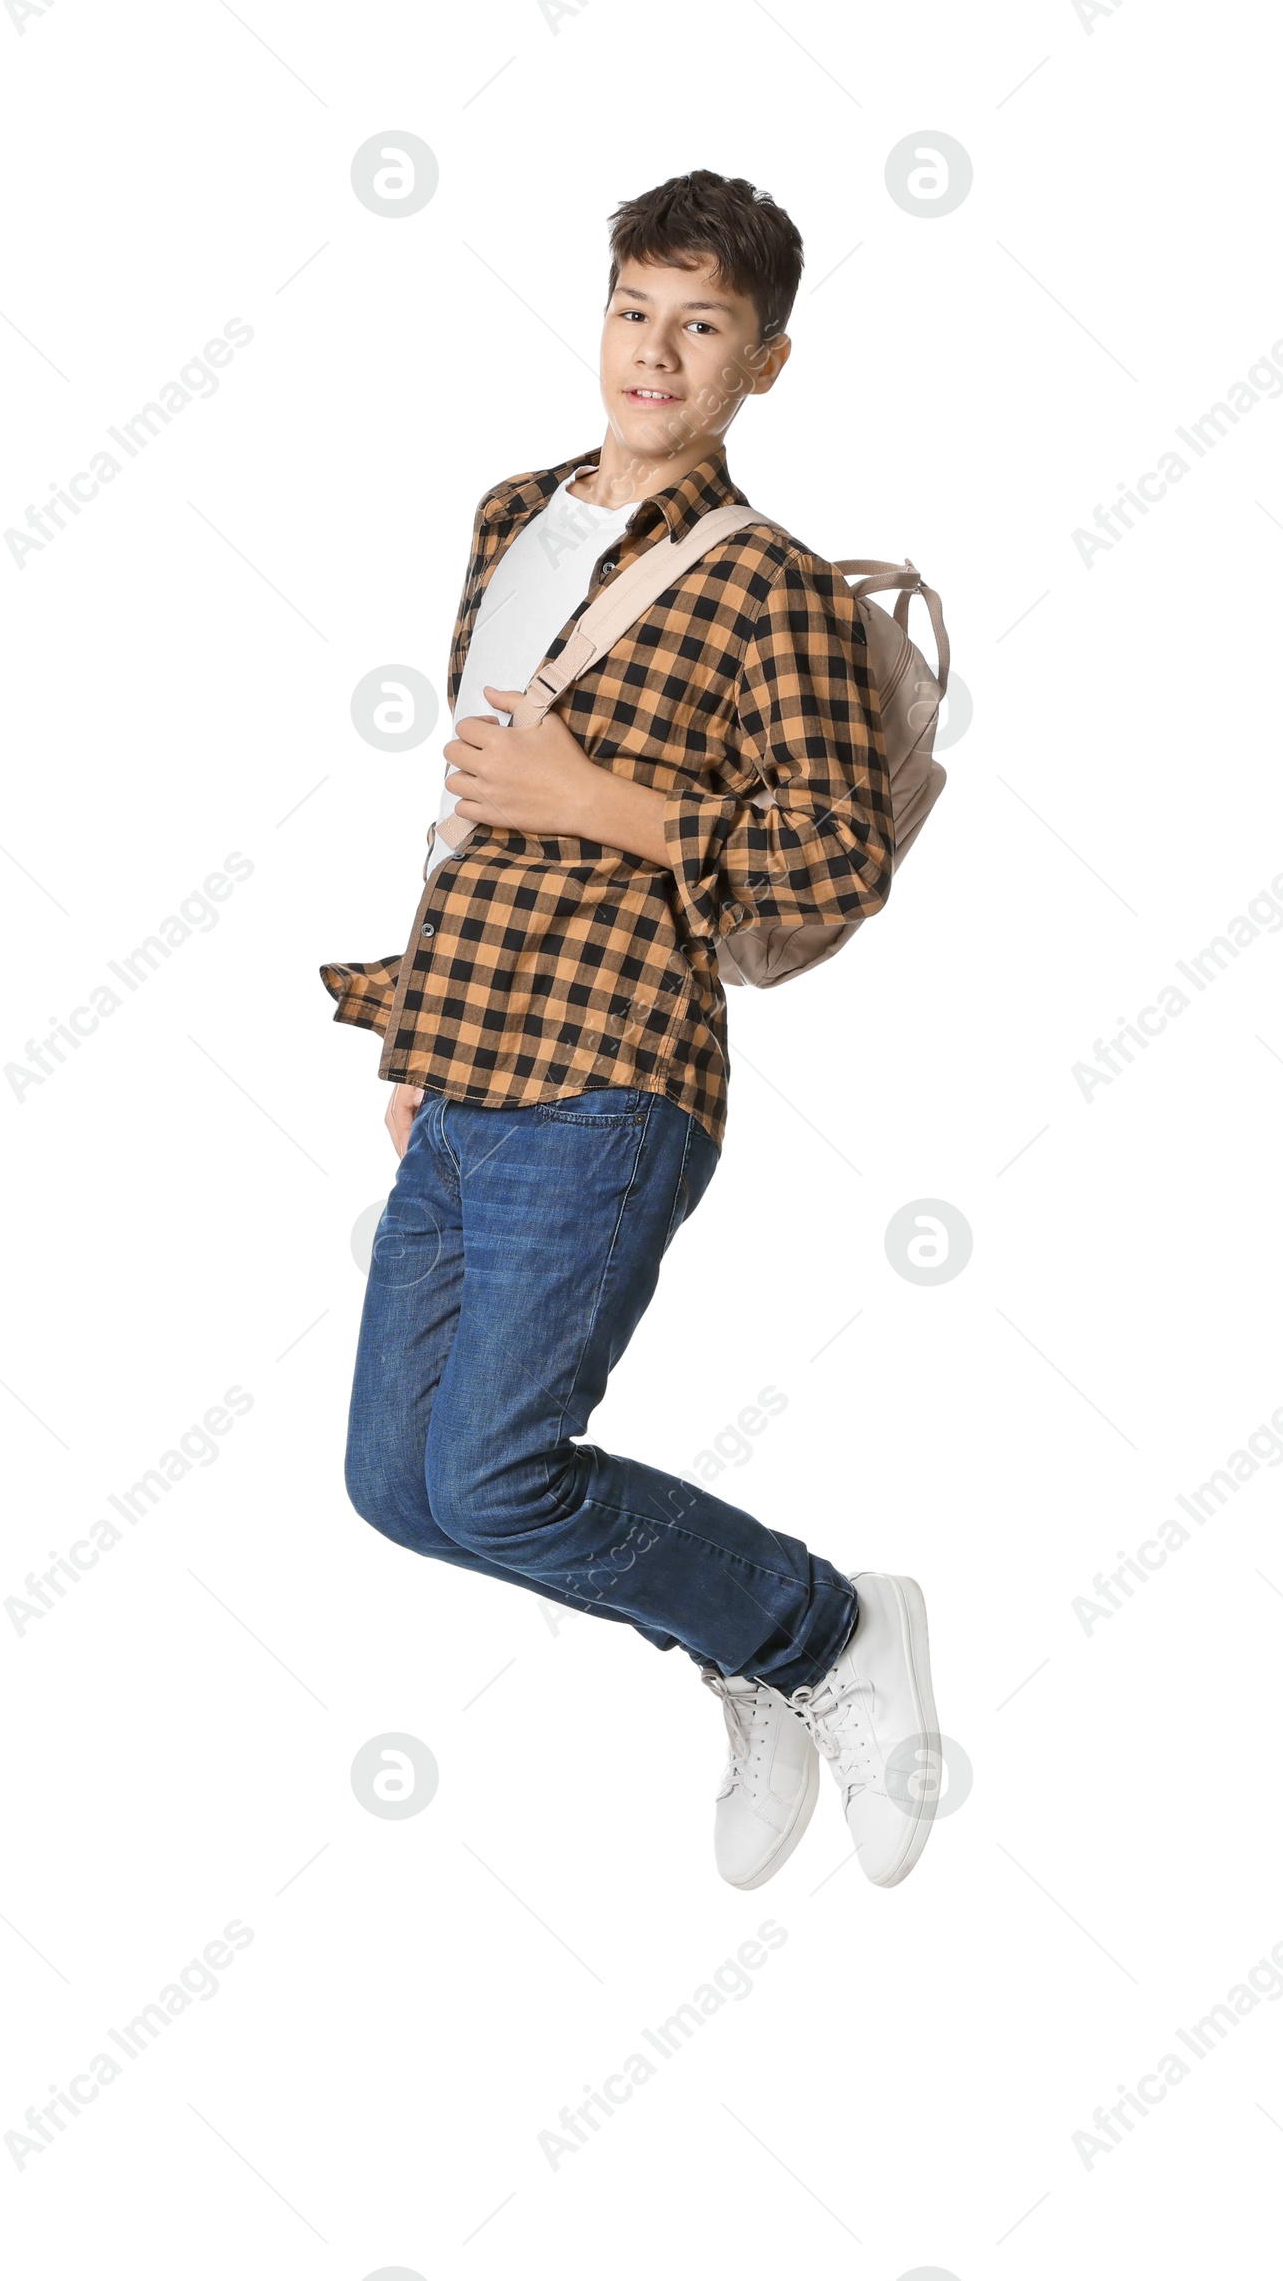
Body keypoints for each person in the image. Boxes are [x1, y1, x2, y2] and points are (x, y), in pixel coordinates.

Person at [321, 169, 938, 1889]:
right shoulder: (512, 513)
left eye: (703, 326)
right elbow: (463, 801)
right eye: (633, 310)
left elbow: (837, 855)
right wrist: (415, 1044)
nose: (656, 354)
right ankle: (743, 1636)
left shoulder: (777, 595)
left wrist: (605, 800)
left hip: (612, 1069)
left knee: (498, 1474)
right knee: (401, 1483)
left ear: (767, 362)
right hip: (467, 1059)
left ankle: (823, 1630)